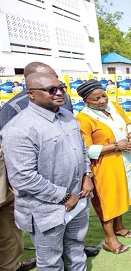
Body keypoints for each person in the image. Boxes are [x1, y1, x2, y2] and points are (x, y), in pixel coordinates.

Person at [0, 62, 98, 271]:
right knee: (51, 262)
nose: (60, 93)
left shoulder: (67, 116)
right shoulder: (18, 128)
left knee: (76, 250)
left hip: (78, 199)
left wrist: (87, 174)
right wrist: (63, 196)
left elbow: (80, 148)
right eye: (51, 90)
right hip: (45, 208)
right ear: (31, 95)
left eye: (61, 87)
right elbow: (23, 177)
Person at [76, 80, 131, 254]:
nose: (102, 101)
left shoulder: (114, 106)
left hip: (123, 160)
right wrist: (116, 146)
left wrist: (130, 136)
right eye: (96, 99)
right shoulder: (83, 119)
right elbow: (86, 149)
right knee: (107, 201)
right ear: (86, 101)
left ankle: (119, 226)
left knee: (120, 194)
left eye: (103, 96)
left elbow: (128, 123)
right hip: (104, 165)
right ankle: (110, 239)